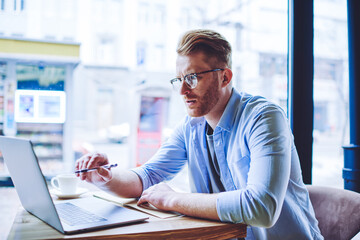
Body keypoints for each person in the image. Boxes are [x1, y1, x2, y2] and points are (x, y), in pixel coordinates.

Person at [75, 29, 323, 239]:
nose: (183, 90)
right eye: (179, 79)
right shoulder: (190, 127)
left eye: (193, 78)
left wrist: (172, 200)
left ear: (224, 77)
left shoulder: (264, 118)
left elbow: (261, 208)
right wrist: (105, 177)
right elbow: (147, 178)